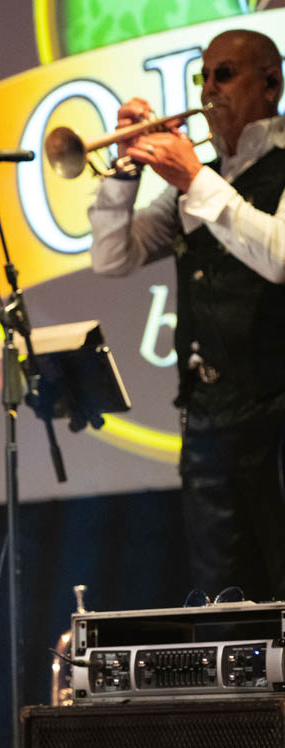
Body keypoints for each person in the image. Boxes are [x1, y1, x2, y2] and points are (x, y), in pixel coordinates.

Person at [88, 29, 284, 602]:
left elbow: (278, 258)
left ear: (270, 84)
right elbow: (112, 257)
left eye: (225, 74)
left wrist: (195, 178)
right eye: (203, 77)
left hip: (277, 417)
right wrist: (124, 171)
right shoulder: (196, 186)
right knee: (223, 602)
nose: (208, 90)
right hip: (207, 423)